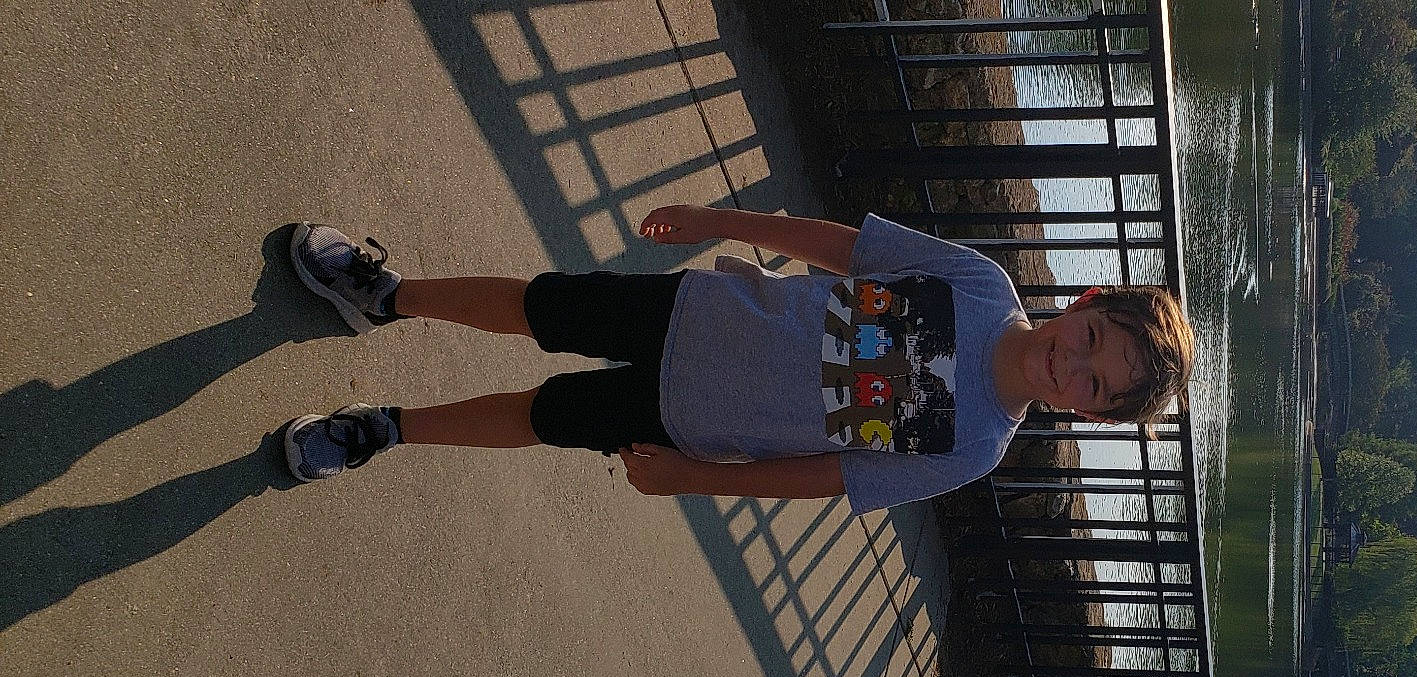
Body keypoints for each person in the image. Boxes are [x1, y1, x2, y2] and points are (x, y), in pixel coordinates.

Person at [280, 206, 1194, 514]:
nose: (1071, 366)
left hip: (693, 420)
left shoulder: (976, 446)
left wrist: (695, 478)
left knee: (539, 413)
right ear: (1083, 303)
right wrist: (722, 223)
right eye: (1089, 341)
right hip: (698, 310)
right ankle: (385, 294)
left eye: (1094, 386)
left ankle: (383, 431)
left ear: (1088, 414)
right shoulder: (982, 285)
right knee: (537, 306)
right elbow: (844, 246)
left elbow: (830, 477)